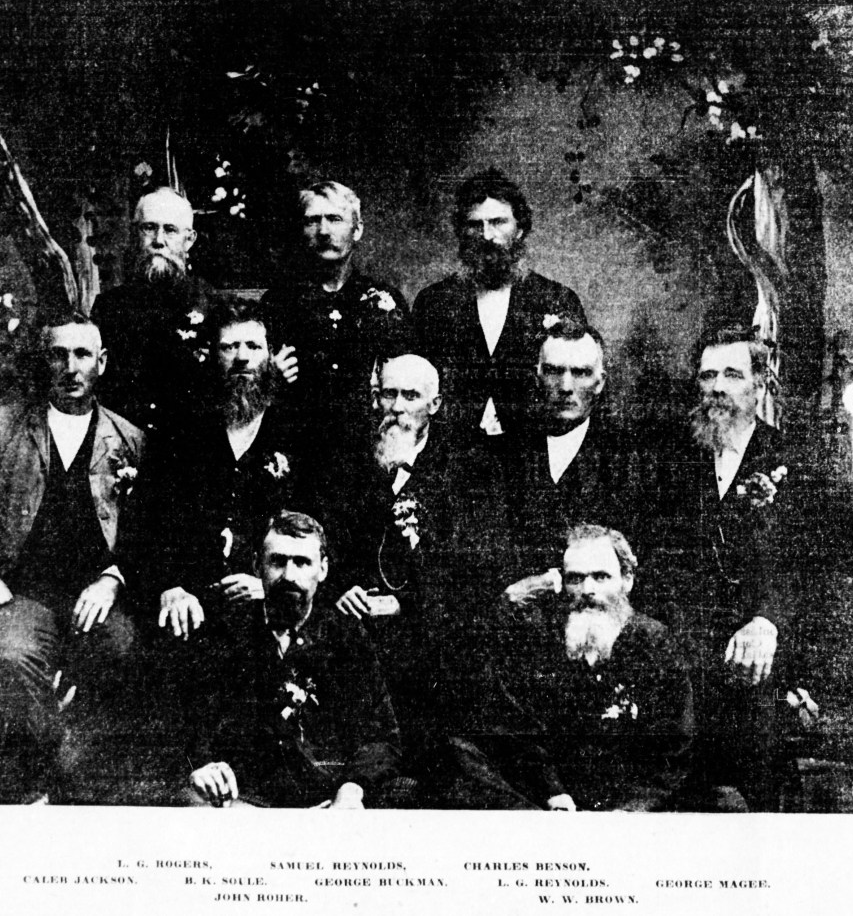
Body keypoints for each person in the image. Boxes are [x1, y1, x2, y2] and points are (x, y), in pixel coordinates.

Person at [0, 312, 145, 802]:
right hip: (20, 595)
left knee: (124, 652)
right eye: (58, 355)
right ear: (44, 361)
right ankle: (56, 775)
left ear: (102, 362)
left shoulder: (129, 439)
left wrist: (112, 579)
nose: (71, 368)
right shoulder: (2, 427)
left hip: (95, 598)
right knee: (11, 655)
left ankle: (89, 784)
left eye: (82, 355)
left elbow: (152, 532)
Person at [313, 351, 510, 755]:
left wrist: (406, 603)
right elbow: (324, 541)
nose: (398, 407)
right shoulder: (347, 464)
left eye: (411, 396)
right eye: (389, 394)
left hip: (427, 637)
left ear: (434, 405)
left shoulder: (466, 471)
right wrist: (339, 589)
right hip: (354, 628)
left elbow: (474, 570)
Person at [442, 524, 693, 812]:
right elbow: (520, 729)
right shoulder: (543, 638)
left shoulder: (656, 643)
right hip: (551, 801)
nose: (587, 590)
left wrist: (629, 810)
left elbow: (675, 747)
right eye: (575, 578)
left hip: (628, 805)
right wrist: (553, 792)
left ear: (627, 580)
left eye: (601, 577)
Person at [648, 324, 796, 810]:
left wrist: (768, 619)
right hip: (681, 651)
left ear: (761, 384)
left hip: (756, 659)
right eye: (707, 375)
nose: (716, 387)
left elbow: (810, 568)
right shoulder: (670, 459)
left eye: (732, 375)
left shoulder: (795, 461)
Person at [182, 511, 400, 809]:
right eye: (277, 561)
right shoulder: (225, 633)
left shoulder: (346, 637)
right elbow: (194, 725)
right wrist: (203, 767)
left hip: (328, 804)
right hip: (242, 804)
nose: (289, 575)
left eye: (302, 562)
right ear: (257, 565)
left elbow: (381, 736)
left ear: (323, 569)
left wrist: (352, 789)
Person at [135, 296, 305, 640]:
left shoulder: (298, 433)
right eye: (230, 347)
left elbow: (317, 527)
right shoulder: (180, 432)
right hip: (191, 608)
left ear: (270, 356)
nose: (242, 357)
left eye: (253, 346)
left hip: (275, 606)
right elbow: (145, 523)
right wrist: (170, 586)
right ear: (214, 355)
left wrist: (271, 584)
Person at [413, 169, 586, 449]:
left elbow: (578, 385)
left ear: (520, 229)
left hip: (531, 453)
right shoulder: (434, 302)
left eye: (498, 222)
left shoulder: (557, 299)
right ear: (461, 233)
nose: (487, 235)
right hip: (452, 453)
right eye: (474, 225)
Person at [259, 181, 410, 452]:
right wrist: (268, 377)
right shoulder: (278, 303)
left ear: (357, 229)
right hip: (297, 448)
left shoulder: (386, 301)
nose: (323, 231)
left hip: (370, 450)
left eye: (335, 219)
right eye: (312, 221)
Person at [500, 316, 635, 607]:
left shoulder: (628, 458)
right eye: (554, 371)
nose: (565, 386)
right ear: (537, 376)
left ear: (600, 382)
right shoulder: (501, 454)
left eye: (581, 373)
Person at [91, 186, 221, 435]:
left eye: (170, 230)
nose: (158, 240)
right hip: (122, 443)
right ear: (134, 234)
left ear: (189, 240)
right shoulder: (109, 307)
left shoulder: (213, 306)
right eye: (149, 228)